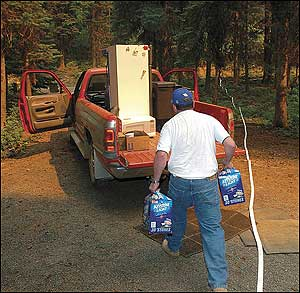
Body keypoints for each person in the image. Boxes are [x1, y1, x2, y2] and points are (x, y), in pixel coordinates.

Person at [149, 87, 236, 292]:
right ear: (194, 104)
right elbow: (230, 144)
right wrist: (227, 163)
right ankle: (219, 284)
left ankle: (173, 247)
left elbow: (162, 156)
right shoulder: (209, 121)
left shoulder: (170, 125)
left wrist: (155, 181)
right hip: (206, 182)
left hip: (179, 182)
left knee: (178, 216)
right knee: (212, 229)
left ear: (173, 106)